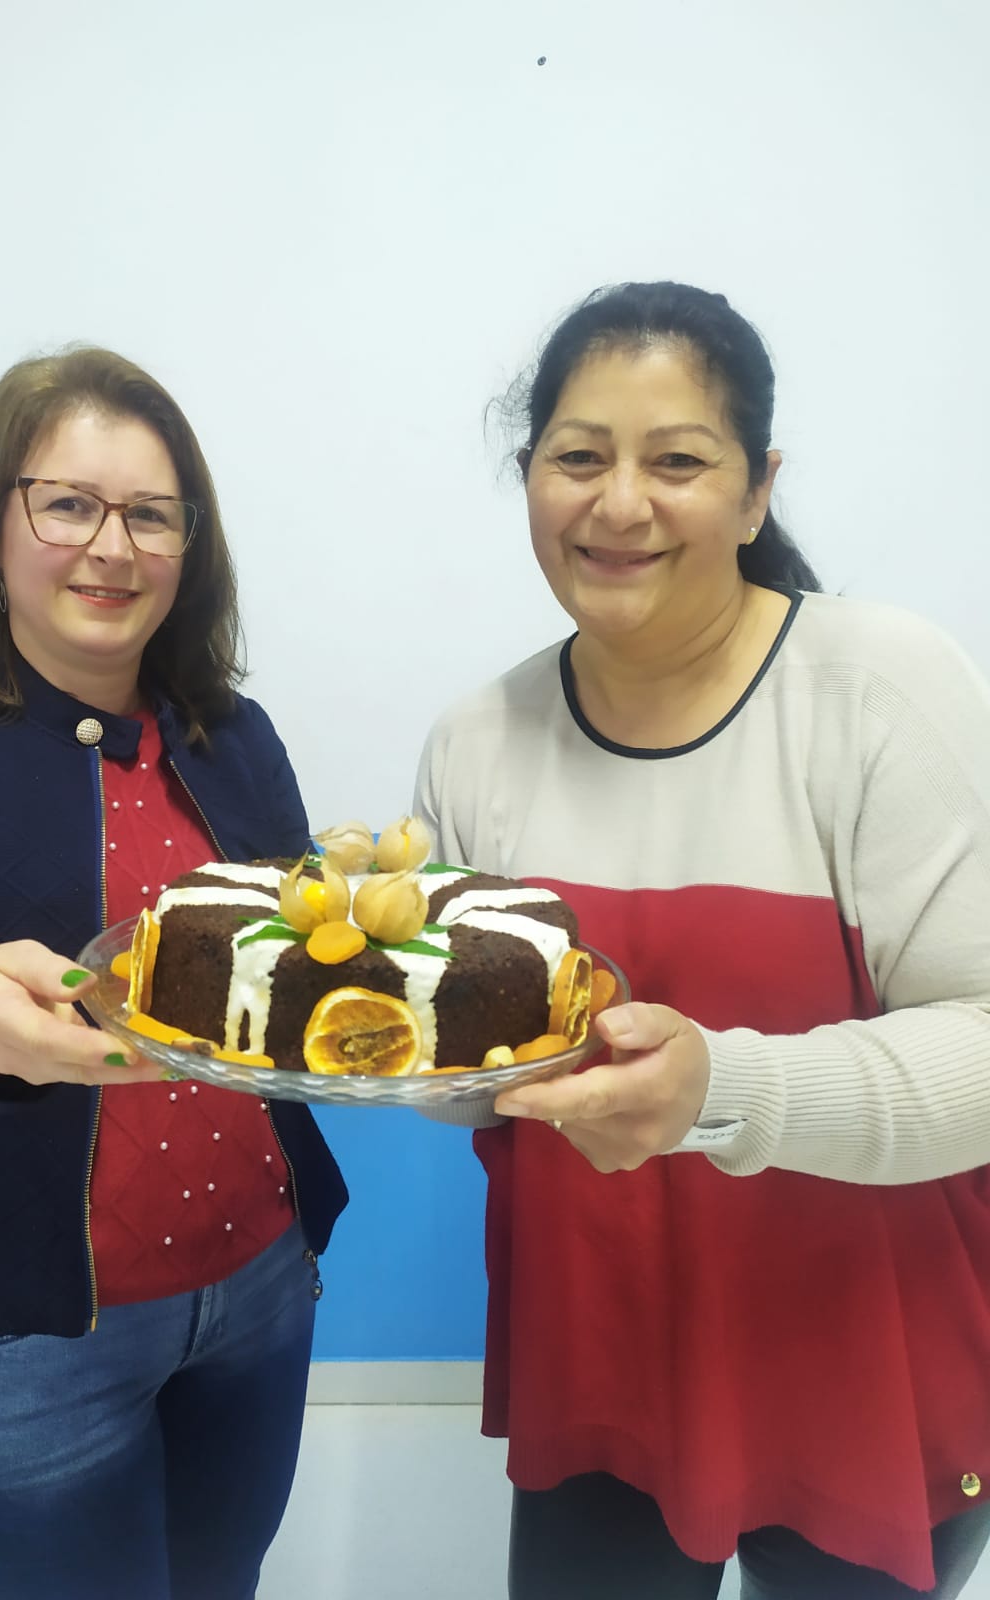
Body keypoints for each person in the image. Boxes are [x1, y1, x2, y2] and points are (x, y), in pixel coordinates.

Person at [414, 282, 990, 1598]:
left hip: (866, 1361)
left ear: (756, 491)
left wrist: (720, 1088)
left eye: (677, 461)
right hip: (598, 1365)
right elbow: (468, 1082)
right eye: (579, 457)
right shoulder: (477, 742)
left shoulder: (882, 693)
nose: (620, 503)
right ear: (530, 477)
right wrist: (371, 1017)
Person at [0, 347, 347, 1600]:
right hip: (26, 1334)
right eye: (69, 504)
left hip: (259, 1284)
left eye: (151, 514)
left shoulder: (233, 735)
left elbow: (293, 971)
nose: (112, 546)